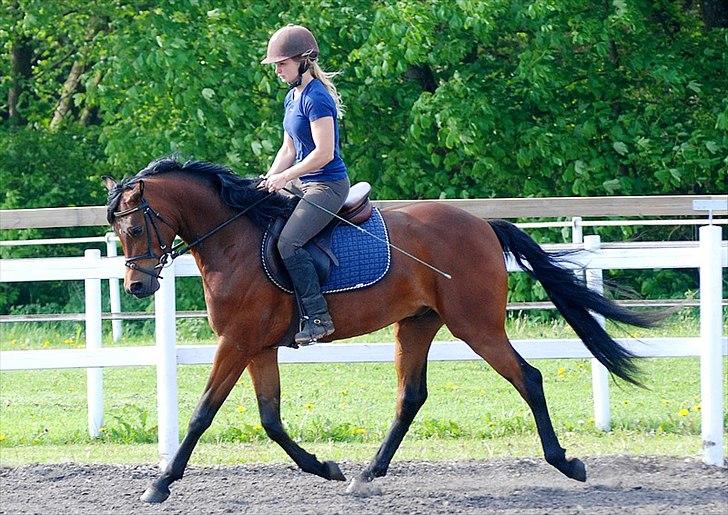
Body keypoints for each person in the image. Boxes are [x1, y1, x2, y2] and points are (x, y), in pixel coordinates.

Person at [260, 24, 350, 345]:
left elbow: (324, 153)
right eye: (276, 65)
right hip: (301, 183)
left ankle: (317, 316)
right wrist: (271, 178)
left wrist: (286, 176)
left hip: (327, 186)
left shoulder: (317, 98)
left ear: (304, 61)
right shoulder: (292, 97)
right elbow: (288, 148)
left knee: (288, 243)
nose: (278, 70)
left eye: (282, 64)